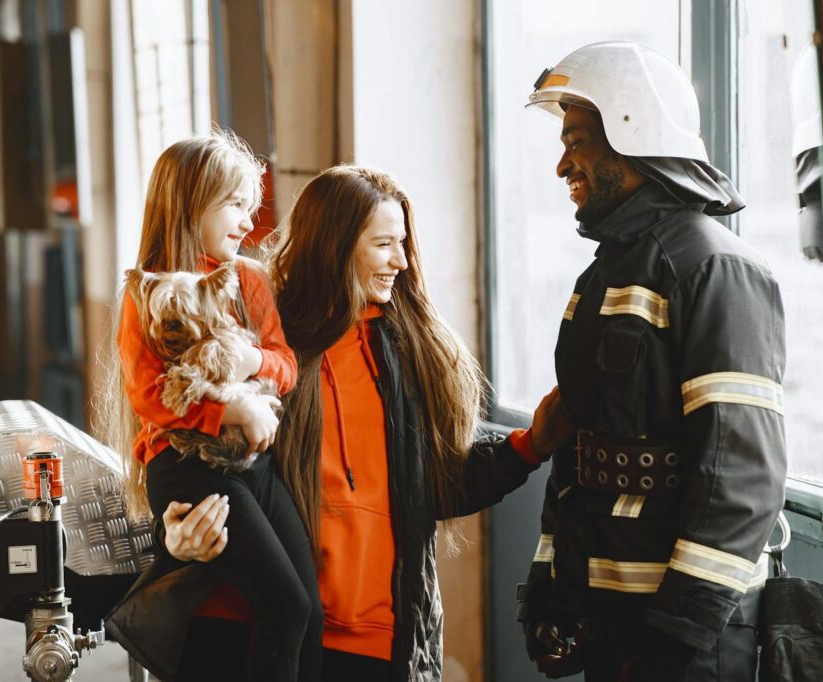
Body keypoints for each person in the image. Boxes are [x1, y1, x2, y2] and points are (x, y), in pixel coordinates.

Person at [122, 165, 573, 680]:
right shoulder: (265, 335)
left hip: (378, 643)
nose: (402, 261)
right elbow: (186, 453)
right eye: (385, 244)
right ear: (335, 245)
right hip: (250, 634)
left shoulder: (413, 351)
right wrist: (175, 541)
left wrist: (530, 445)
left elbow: (431, 487)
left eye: (403, 243)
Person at [516, 42, 787, 681]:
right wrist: (548, 591)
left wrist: (677, 637)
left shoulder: (714, 269)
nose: (562, 165)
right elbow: (577, 453)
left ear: (630, 134)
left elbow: (742, 473)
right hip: (610, 624)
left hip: (690, 643)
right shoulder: (603, 277)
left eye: (577, 140)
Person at [109, 132, 323, 682]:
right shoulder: (148, 291)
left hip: (252, 461)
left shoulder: (248, 279)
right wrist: (234, 414)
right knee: (285, 606)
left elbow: (285, 364)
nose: (249, 224)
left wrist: (247, 363)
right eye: (235, 206)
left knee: (310, 611)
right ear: (187, 204)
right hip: (186, 464)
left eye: (251, 209)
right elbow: (149, 395)